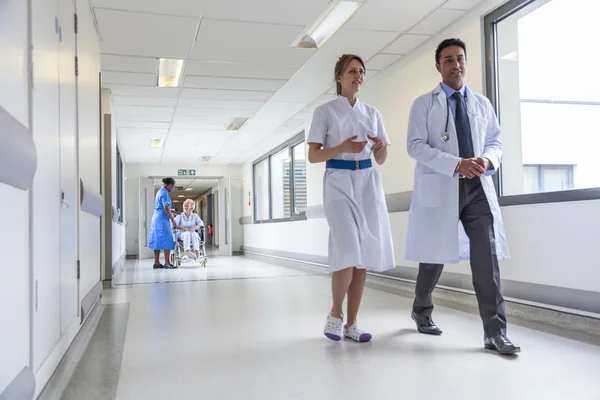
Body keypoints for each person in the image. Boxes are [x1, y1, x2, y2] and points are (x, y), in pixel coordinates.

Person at [404, 38, 519, 354]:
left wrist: (487, 160)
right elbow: (415, 145)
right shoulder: (424, 104)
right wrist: (456, 163)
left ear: (466, 62)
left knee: (487, 260)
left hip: (477, 188)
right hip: (442, 186)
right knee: (433, 256)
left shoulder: (481, 103)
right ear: (439, 66)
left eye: (459, 58)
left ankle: (495, 332)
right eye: (448, 60)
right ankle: (421, 309)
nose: (455, 64)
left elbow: (496, 142)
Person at [307, 54, 395, 343]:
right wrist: (342, 146)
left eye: (362, 71)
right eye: (352, 71)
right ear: (339, 77)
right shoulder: (325, 111)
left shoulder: (373, 113)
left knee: (363, 256)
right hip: (338, 182)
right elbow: (313, 155)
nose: (358, 75)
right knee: (347, 248)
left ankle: (353, 323)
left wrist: (380, 147)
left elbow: (381, 158)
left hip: (368, 182)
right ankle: (335, 314)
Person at [149, 177, 180, 269]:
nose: (172, 189)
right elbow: (166, 208)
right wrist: (173, 219)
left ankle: (157, 262)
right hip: (162, 220)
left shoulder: (160, 191)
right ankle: (167, 262)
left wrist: (175, 212)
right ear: (170, 185)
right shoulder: (164, 193)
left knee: (157, 240)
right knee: (168, 240)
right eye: (173, 187)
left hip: (156, 219)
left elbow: (163, 207)